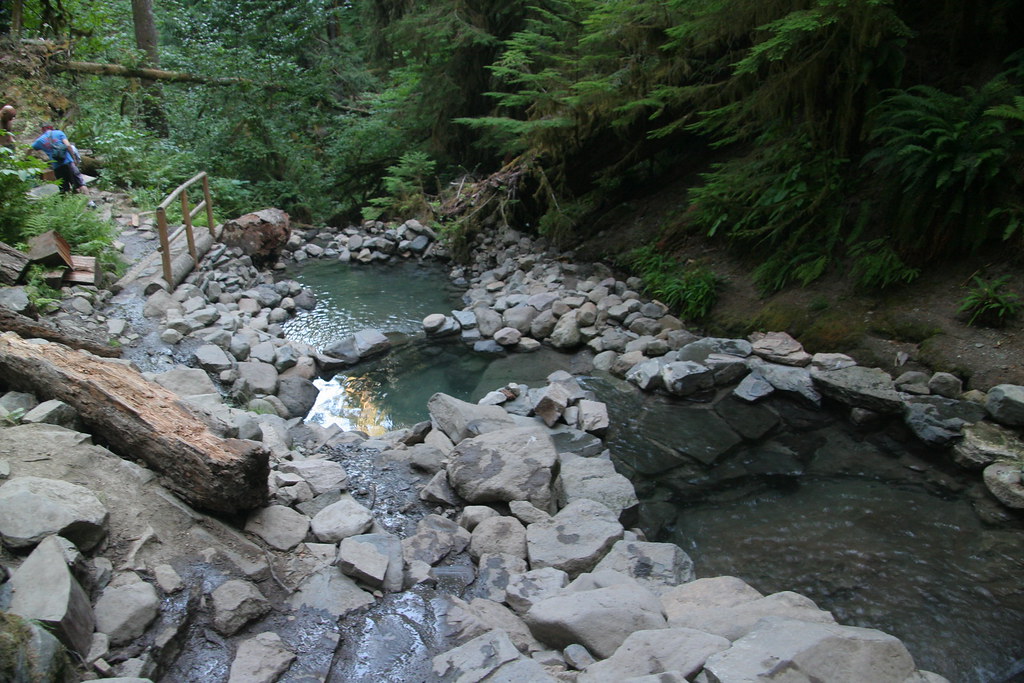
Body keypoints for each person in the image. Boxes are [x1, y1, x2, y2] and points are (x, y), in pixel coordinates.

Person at [31, 123, 94, 205]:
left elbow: (30, 149)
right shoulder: (59, 133)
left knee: (64, 188)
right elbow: (68, 145)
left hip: (57, 167)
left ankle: (69, 207)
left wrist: (27, 159)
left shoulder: (40, 140)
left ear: (42, 130)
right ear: (51, 128)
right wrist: (74, 158)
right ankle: (90, 203)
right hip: (69, 163)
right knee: (80, 183)